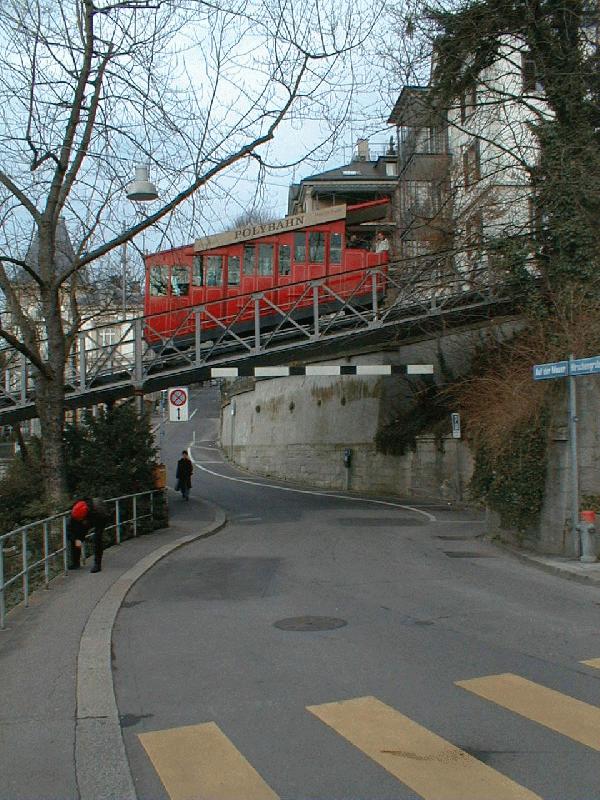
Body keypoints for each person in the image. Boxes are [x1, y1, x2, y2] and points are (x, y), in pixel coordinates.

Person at [67, 497, 109, 573]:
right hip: (85, 517)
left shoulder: (98, 512)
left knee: (97, 539)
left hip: (99, 516)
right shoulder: (74, 514)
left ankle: (97, 564)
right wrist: (76, 539)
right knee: (76, 538)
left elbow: (99, 528)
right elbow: (70, 530)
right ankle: (76, 562)